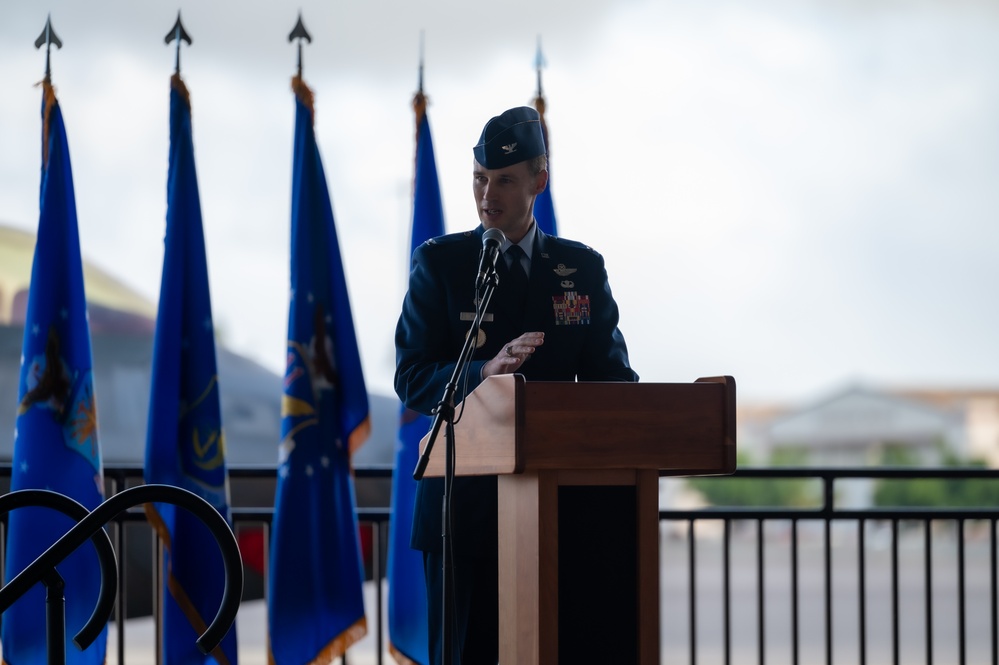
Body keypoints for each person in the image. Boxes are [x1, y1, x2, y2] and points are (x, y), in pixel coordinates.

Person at [394, 105, 638, 664]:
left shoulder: (580, 268)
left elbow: (614, 382)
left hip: (560, 515)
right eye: (479, 179)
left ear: (539, 181)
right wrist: (484, 374)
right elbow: (411, 376)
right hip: (465, 516)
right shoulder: (443, 264)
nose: (487, 195)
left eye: (504, 180)